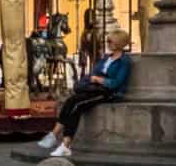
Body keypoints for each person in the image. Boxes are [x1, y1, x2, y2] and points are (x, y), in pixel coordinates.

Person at [39, 29, 132, 159]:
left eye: (110, 41)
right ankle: (54, 135)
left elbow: (116, 82)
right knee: (71, 100)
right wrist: (90, 80)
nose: (107, 43)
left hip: (109, 92)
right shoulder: (106, 58)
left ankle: (65, 145)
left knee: (78, 106)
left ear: (118, 43)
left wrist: (99, 79)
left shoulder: (124, 61)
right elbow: (92, 73)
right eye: (107, 41)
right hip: (94, 89)